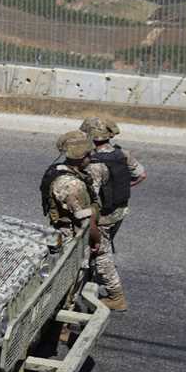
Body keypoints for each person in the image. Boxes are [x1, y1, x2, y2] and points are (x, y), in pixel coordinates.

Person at [42, 130, 126, 312]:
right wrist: (95, 240)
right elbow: (86, 222)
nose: (91, 157)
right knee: (73, 278)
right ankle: (65, 317)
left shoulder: (61, 171)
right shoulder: (73, 185)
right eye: (88, 154)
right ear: (80, 158)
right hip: (74, 237)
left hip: (64, 231)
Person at [81, 117, 146, 245]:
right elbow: (142, 175)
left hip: (103, 216)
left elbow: (92, 196)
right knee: (107, 241)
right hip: (120, 210)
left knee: (99, 248)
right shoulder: (122, 153)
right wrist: (122, 186)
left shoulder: (93, 161)